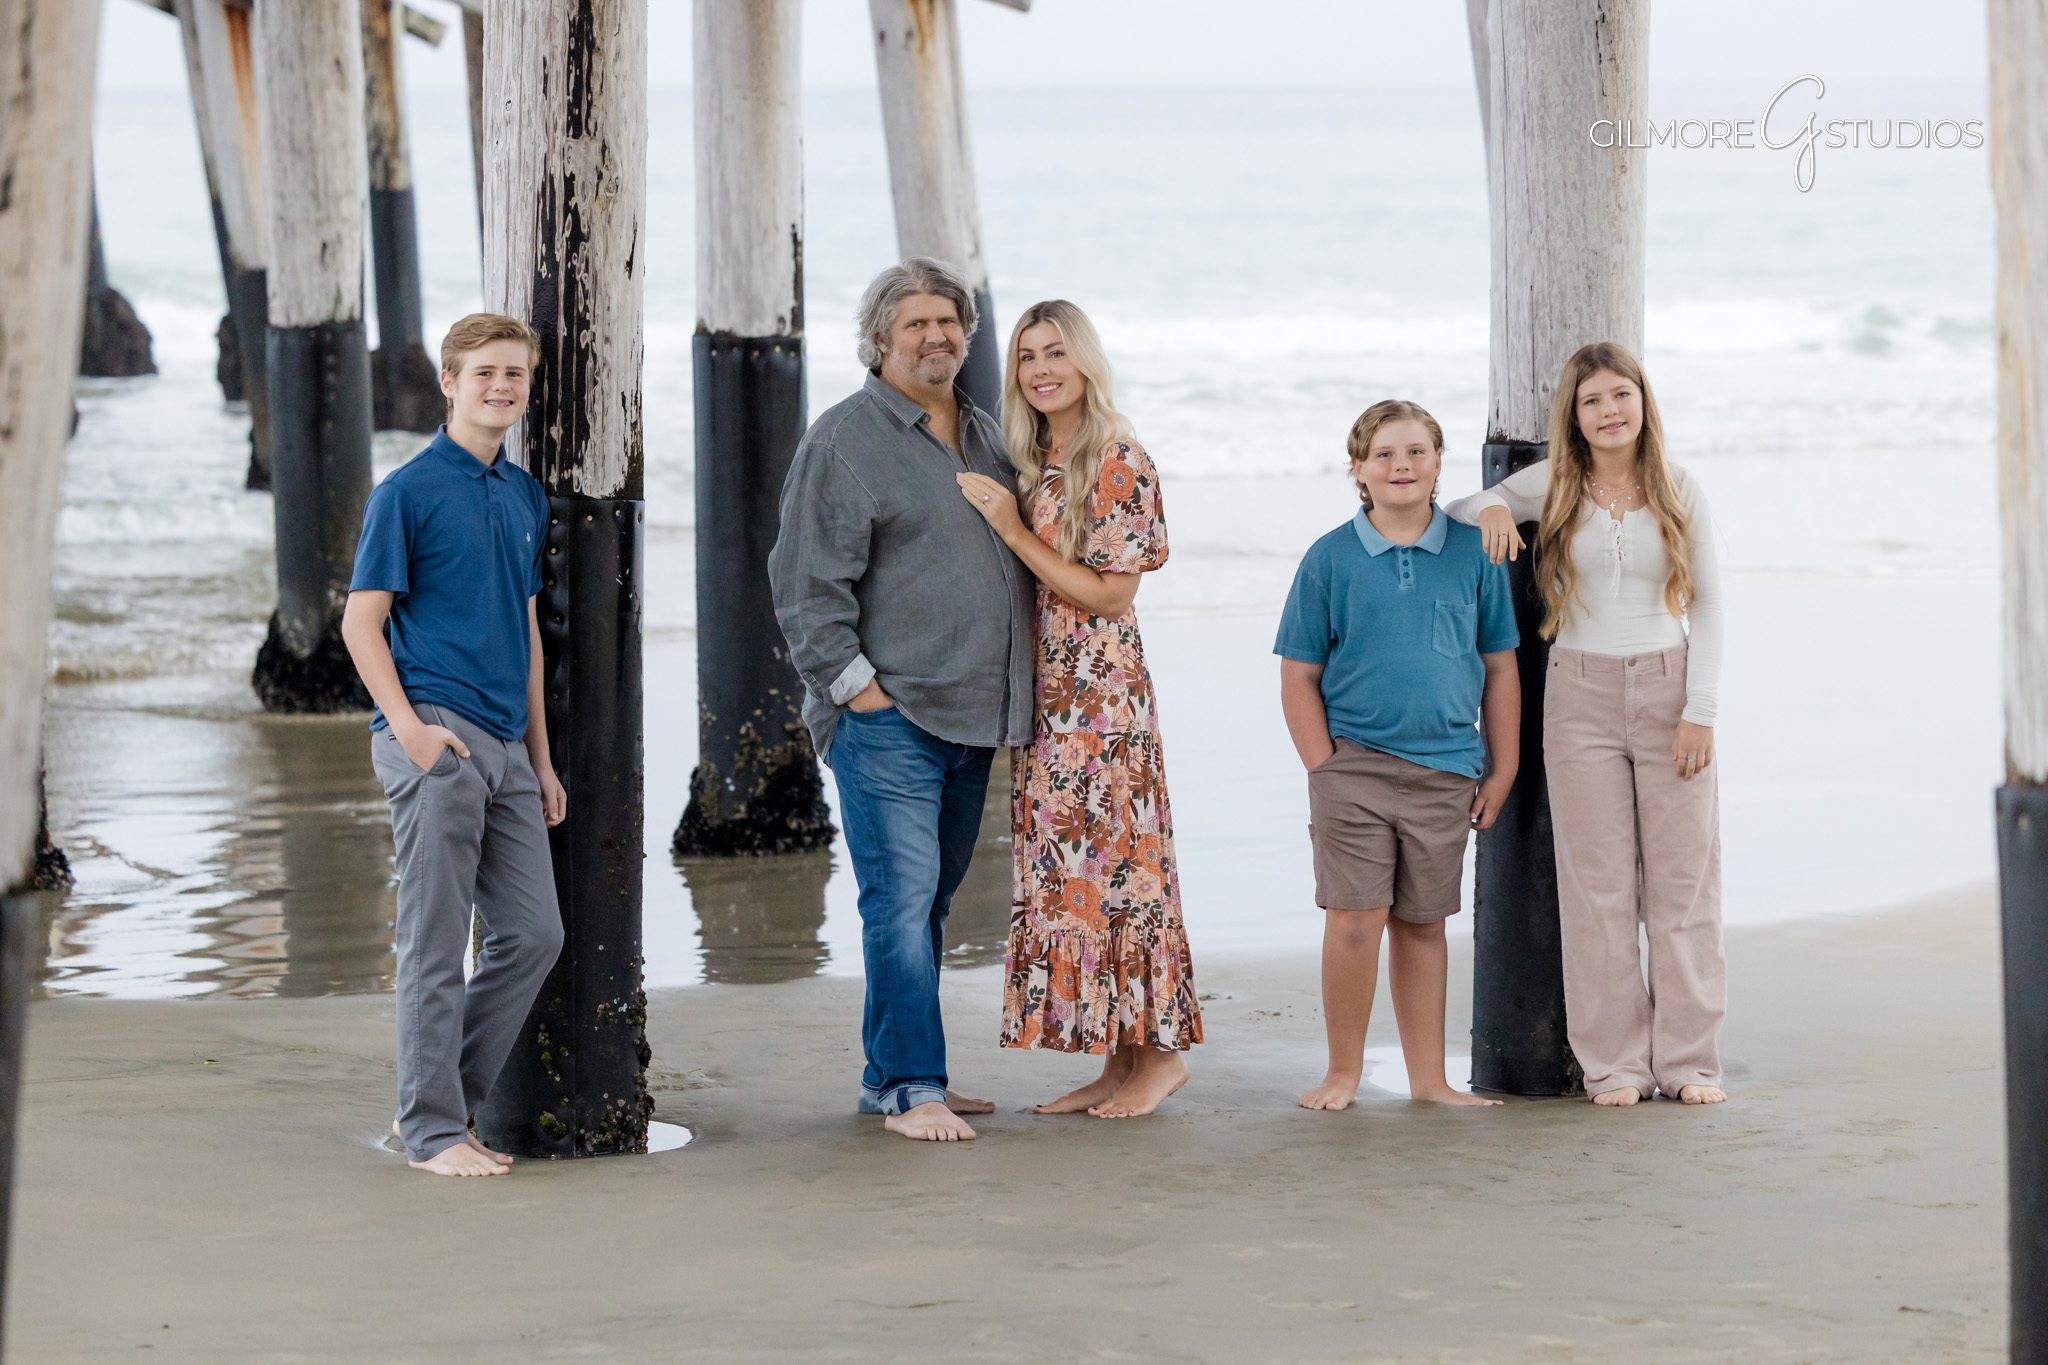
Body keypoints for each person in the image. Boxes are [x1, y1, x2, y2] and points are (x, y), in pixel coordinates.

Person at [768, 258, 1035, 1143]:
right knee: (898, 896)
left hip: (975, 716)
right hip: (890, 720)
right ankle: (917, 1086)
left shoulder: (988, 434)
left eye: (949, 323)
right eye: (915, 323)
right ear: (880, 338)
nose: (936, 337)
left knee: (928, 903)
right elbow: (804, 585)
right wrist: (861, 693)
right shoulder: (844, 440)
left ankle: (892, 1076)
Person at [1444, 341, 1727, 1107]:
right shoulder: (1556, 486)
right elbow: (1463, 507)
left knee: (1682, 886)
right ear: (1574, 414)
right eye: (1592, 400)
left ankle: (1690, 1060)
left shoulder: (1678, 487)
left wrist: (1700, 713)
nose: (1609, 412)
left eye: (1620, 396)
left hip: (1669, 689)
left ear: (1643, 402)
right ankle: (1616, 1064)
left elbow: (1712, 606)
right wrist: (1499, 503)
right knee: (1596, 888)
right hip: (1578, 697)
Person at [956, 300, 1202, 1120]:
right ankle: (1115, 1060)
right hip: (1048, 694)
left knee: (1124, 866)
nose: (1039, 368)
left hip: (1102, 696)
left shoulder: (1116, 456)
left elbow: (1111, 594)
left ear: (1085, 360)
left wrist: (1015, 532)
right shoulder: (1034, 456)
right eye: (1027, 355)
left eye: (1055, 351)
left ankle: (1161, 1059)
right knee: (1076, 872)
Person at [340, 313, 567, 1178]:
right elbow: (363, 623)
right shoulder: (407, 490)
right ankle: (433, 1131)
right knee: (434, 941)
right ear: (449, 381)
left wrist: (540, 759)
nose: (502, 387)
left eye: (515, 374)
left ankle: (442, 1107)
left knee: (533, 934)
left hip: (508, 745)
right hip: (434, 729)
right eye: (485, 374)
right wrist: (409, 730)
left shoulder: (523, 494)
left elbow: (528, 631)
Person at [1276, 400, 1520, 1113]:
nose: (1401, 466)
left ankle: (1429, 1080)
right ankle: (1343, 1071)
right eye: (1384, 454)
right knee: (1354, 918)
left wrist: (1500, 768)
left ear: (1440, 462)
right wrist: (1322, 763)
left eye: (1415, 451)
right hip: (1351, 765)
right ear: (1358, 468)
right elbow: (1298, 675)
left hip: (1447, 769)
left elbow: (1499, 667)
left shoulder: (1474, 553)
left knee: (1423, 924)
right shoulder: (1329, 557)